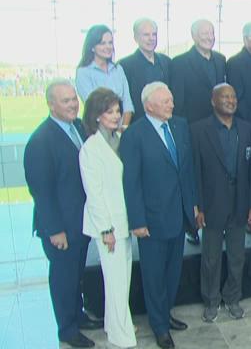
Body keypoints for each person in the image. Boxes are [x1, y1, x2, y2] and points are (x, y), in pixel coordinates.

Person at [24, 80, 103, 348]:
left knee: (76, 275)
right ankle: (67, 329)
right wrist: (54, 230)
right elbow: (41, 192)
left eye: (74, 99)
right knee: (63, 279)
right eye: (66, 101)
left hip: (81, 223)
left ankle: (78, 315)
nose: (73, 104)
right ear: (51, 104)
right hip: (61, 229)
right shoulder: (41, 141)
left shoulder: (78, 128)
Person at [120, 82, 197, 349]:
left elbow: (187, 171)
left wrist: (194, 206)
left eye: (171, 100)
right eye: (166, 101)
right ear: (149, 105)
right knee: (154, 276)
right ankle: (159, 327)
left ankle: (166, 314)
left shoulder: (180, 125)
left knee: (172, 273)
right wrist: (137, 221)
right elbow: (131, 182)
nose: (171, 105)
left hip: (178, 215)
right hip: (151, 221)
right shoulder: (134, 135)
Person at [190, 84, 251, 322]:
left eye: (233, 96)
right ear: (213, 101)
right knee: (210, 257)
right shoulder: (199, 130)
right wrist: (197, 206)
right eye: (225, 96)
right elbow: (195, 172)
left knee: (237, 256)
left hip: (240, 203)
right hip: (211, 204)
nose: (230, 100)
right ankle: (211, 301)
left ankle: (232, 297)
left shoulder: (247, 129)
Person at [79, 88, 136, 348]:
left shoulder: (119, 138)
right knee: (115, 281)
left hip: (124, 222)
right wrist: (105, 230)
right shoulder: (91, 148)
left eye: (116, 110)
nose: (115, 116)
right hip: (108, 226)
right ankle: (122, 335)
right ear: (96, 116)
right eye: (108, 111)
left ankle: (116, 326)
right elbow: (95, 193)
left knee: (122, 279)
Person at [76, 25, 134, 129]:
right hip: (98, 131)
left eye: (110, 43)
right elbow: (94, 107)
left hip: (122, 131)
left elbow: (127, 103)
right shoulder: (83, 73)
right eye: (102, 43)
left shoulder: (118, 69)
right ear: (92, 47)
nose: (108, 47)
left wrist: (123, 130)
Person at [171, 19, 226, 124]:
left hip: (218, 122)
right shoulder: (180, 62)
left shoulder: (220, 59)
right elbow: (178, 100)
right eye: (205, 33)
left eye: (212, 33)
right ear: (194, 36)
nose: (210, 37)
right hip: (193, 124)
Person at [119, 18, 171, 123]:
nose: (151, 38)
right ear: (136, 38)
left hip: (165, 121)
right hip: (139, 122)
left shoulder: (167, 62)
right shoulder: (125, 65)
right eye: (146, 35)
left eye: (154, 34)